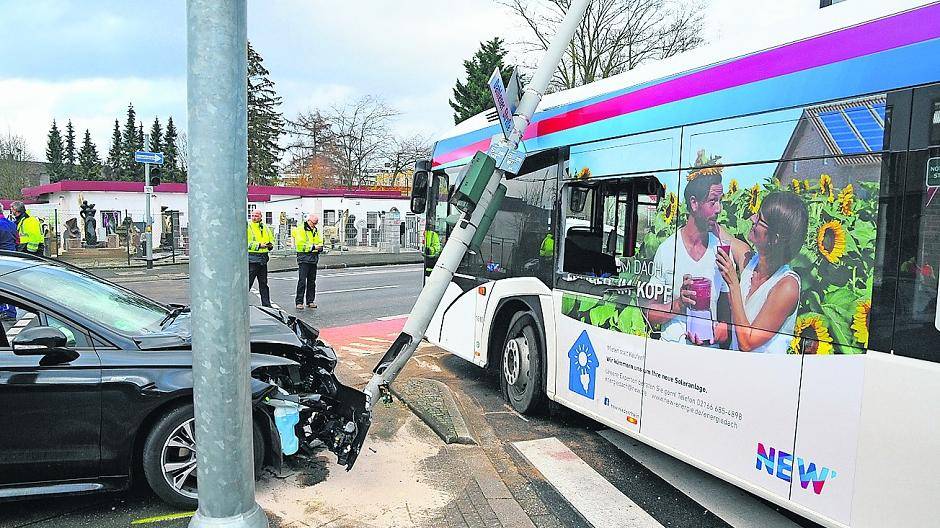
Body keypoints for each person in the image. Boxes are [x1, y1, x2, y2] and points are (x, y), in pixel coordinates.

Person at [644, 171, 746, 345]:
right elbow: (650, 314)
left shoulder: (721, 252)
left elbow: (726, 320)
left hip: (708, 353)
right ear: (694, 203)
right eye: (713, 201)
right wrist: (679, 304)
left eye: (720, 201)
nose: (719, 209)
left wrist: (720, 333)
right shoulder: (667, 250)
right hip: (672, 350)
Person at [716, 192, 808, 353]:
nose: (752, 219)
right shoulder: (750, 263)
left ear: (775, 238)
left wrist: (733, 284)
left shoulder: (787, 286)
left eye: (759, 219)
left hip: (763, 369)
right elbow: (720, 233)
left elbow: (747, 343)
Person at [292, 213, 323, 309]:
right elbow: (300, 245)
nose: (314, 225)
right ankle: (299, 302)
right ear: (308, 221)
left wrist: (320, 247)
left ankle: (310, 301)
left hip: (313, 258)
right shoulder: (301, 230)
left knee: (312, 281)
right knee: (302, 281)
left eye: (316, 223)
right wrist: (314, 247)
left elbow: (319, 241)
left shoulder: (315, 230)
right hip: (304, 258)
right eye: (313, 223)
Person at [247, 209, 274, 307]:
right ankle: (241, 304)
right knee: (248, 283)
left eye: (256, 216)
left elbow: (271, 239)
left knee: (264, 284)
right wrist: (258, 245)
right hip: (252, 259)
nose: (254, 217)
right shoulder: (248, 226)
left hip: (263, 259)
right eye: (253, 215)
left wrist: (270, 245)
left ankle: (267, 305)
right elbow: (245, 242)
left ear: (261, 217)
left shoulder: (265, 227)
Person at [0, 207, 19, 319]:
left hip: (2, 257)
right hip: (12, 257)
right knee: (10, 284)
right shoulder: (12, 224)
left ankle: (5, 311)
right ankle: (11, 311)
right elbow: (17, 240)